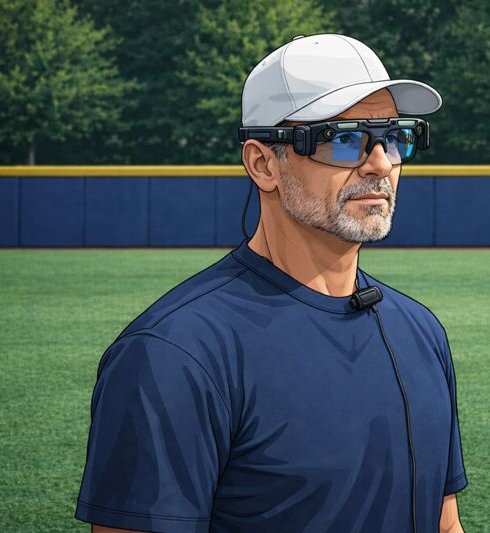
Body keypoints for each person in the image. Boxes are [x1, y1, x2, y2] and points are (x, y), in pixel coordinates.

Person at [75, 34, 467, 533]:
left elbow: (444, 524)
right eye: (343, 138)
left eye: (394, 137)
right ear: (263, 163)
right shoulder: (173, 353)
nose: (380, 163)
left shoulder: (420, 331)